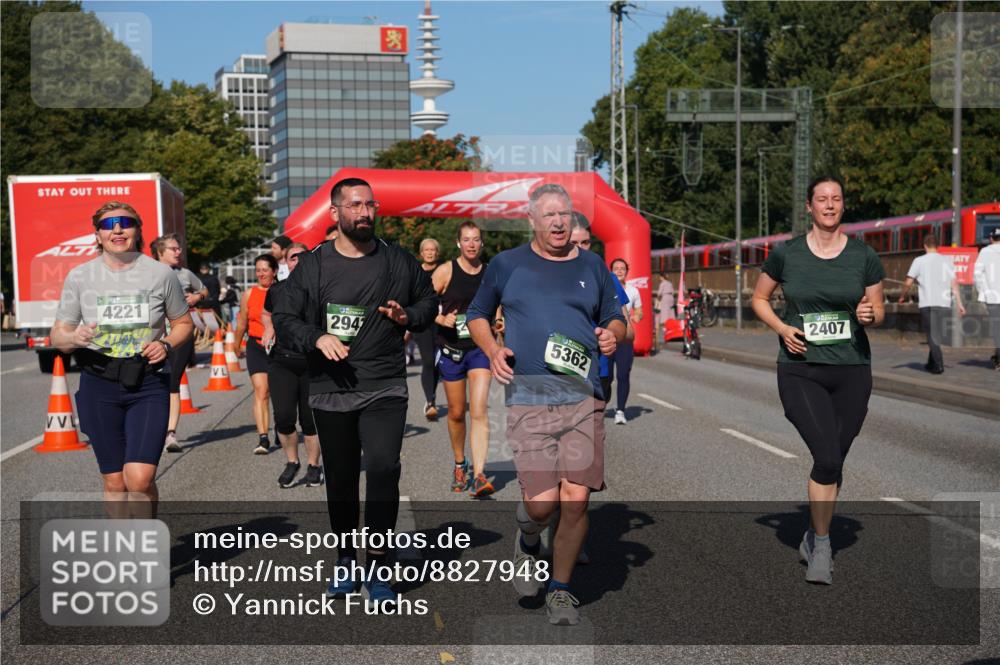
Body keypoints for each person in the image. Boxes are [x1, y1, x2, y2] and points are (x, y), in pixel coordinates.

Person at [272, 177, 437, 605]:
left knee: (382, 467)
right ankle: (346, 557)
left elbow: (428, 303)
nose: (364, 212)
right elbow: (285, 317)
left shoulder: (397, 260)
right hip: (331, 386)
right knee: (342, 478)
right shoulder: (314, 265)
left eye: (370, 205)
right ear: (335, 213)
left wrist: (407, 315)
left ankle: (379, 564)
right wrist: (316, 337)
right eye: (355, 205)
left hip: (384, 384)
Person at [467, 183, 625, 626]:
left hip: (583, 396)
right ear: (532, 220)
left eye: (565, 215)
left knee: (575, 500)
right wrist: (493, 349)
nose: (559, 222)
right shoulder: (507, 265)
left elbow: (616, 317)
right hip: (529, 397)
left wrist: (612, 334)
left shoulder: (593, 265)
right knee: (541, 505)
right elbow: (476, 314)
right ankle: (529, 537)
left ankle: (560, 589)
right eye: (550, 215)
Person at [751, 175, 885, 585]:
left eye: (836, 199)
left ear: (843, 205)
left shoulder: (864, 256)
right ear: (809, 206)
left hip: (852, 369)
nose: (829, 205)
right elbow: (759, 298)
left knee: (834, 460)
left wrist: (870, 315)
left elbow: (878, 309)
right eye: (822, 199)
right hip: (801, 368)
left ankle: (814, 531)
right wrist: (781, 328)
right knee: (826, 457)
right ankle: (822, 545)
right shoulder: (786, 254)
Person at [50, 202, 193, 510]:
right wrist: (73, 338)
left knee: (139, 479)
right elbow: (58, 335)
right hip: (99, 381)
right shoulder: (80, 276)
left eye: (125, 223)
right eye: (107, 224)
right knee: (115, 482)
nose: (117, 229)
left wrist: (166, 344)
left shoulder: (160, 274)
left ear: (137, 231)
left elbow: (184, 323)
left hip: (148, 381)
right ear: (98, 235)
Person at [432, 222, 495, 497]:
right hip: (452, 349)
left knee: (479, 411)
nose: (471, 244)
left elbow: (498, 302)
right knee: (457, 412)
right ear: (458, 243)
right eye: (466, 239)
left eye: (476, 239)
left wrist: (499, 321)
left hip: (481, 349)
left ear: (482, 243)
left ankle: (480, 474)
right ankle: (460, 463)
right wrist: (439, 318)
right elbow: (422, 302)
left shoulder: (490, 272)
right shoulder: (446, 270)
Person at [260, 242, 322, 488]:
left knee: (310, 420)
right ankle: (292, 461)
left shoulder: (321, 288)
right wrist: (269, 327)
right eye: (293, 257)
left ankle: (314, 465)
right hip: (282, 361)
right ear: (285, 262)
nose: (298, 260)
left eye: (303, 256)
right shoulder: (277, 290)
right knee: (284, 418)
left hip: (312, 362)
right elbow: (267, 313)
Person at [150, 233, 209, 452]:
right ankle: (151, 427)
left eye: (179, 248)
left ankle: (170, 433)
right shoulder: (148, 273)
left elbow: (204, 289)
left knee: (173, 381)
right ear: (160, 252)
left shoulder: (184, 273)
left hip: (180, 335)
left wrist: (196, 297)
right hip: (153, 337)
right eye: (173, 249)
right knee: (152, 382)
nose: (178, 252)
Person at [898, 234, 965, 374]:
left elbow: (908, 282)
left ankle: (938, 365)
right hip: (944, 304)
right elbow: (954, 283)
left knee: (931, 335)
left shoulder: (919, 261)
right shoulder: (947, 261)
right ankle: (931, 363)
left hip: (928, 303)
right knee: (936, 334)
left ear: (925, 246)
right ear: (937, 246)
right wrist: (960, 303)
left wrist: (902, 296)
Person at [235, 254, 278, 454]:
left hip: (279, 347)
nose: (261, 274)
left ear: (274, 271)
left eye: (265, 270)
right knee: (262, 390)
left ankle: (281, 427)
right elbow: (242, 322)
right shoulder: (249, 294)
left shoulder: (282, 291)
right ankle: (263, 437)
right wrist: (236, 345)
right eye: (258, 270)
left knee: (279, 392)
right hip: (256, 345)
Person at [608, 258, 642, 425]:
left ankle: (620, 410)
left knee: (623, 374)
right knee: (606, 376)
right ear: (611, 271)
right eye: (616, 268)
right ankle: (602, 402)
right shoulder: (606, 287)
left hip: (625, 338)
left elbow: (639, 311)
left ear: (627, 271)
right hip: (608, 336)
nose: (619, 271)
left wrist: (636, 316)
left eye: (622, 268)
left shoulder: (633, 291)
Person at [415, 238, 442, 419]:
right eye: (427, 250)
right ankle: (430, 401)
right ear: (421, 253)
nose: (430, 253)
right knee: (428, 360)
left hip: (442, 323)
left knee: (438, 363)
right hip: (423, 323)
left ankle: (432, 395)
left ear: (437, 253)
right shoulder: (415, 271)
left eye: (433, 250)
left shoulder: (445, 270)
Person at [974, 227, 1000, 370]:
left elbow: (977, 274)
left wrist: (982, 291)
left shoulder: (984, 252)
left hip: (992, 297)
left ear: (991, 238)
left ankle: (999, 358)